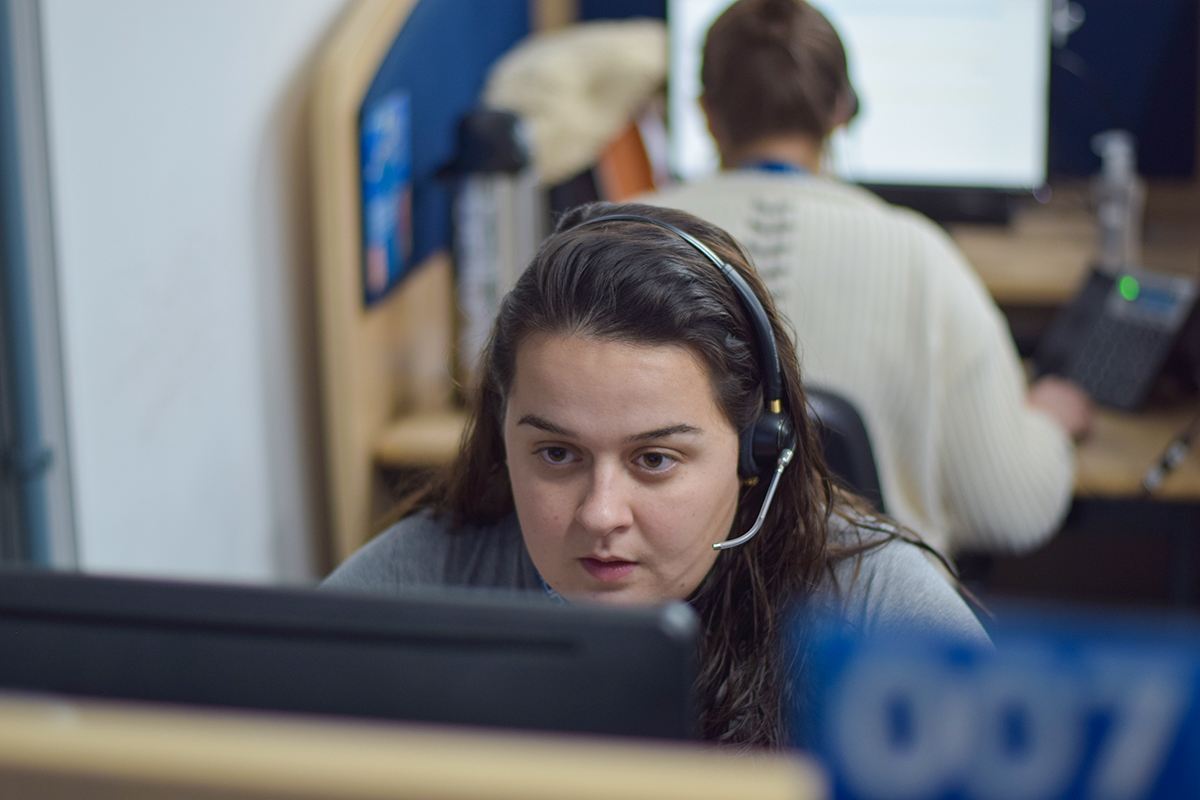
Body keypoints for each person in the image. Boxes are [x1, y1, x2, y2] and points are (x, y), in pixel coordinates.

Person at [323, 201, 988, 749]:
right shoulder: (417, 590)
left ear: (756, 449)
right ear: (503, 439)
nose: (600, 514)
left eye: (654, 460)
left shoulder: (878, 613)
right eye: (557, 454)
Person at [639, 0, 1094, 557]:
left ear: (705, 110)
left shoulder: (619, 237)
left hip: (673, 615)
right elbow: (1010, 512)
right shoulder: (920, 255)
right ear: (842, 110)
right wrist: (1047, 422)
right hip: (873, 625)